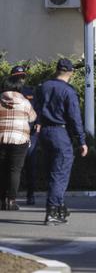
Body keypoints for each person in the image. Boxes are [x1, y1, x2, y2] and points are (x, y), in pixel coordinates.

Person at [36, 59, 88, 225]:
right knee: (60, 173)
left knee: (52, 172)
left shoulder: (43, 87)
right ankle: (53, 210)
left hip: (43, 132)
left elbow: (35, 109)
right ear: (71, 72)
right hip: (60, 132)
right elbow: (74, 118)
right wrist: (81, 141)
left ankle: (59, 206)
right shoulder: (68, 91)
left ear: (56, 70)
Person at [0, 72, 37, 211]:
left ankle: (1, 200)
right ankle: (11, 201)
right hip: (20, 139)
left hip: (1, 138)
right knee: (15, 170)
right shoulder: (25, 102)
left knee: (2, 169)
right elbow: (33, 117)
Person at [10, 66, 38, 205]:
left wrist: (39, 123)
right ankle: (10, 196)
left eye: (23, 76)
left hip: (29, 132)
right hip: (13, 131)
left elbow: (38, 109)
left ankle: (30, 194)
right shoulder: (6, 93)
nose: (21, 79)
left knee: (30, 164)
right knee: (12, 166)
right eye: (18, 76)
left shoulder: (30, 92)